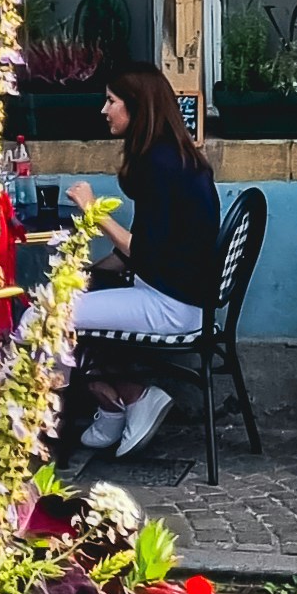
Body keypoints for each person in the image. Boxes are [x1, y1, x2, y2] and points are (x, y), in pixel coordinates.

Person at [71, 65, 221, 466]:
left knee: (49, 316)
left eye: (112, 101)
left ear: (137, 108)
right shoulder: (173, 157)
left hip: (170, 303)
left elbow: (143, 252)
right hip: (181, 295)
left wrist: (93, 212)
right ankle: (115, 402)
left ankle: (125, 396)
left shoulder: (159, 165)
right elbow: (142, 248)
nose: (104, 110)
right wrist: (85, 273)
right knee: (76, 294)